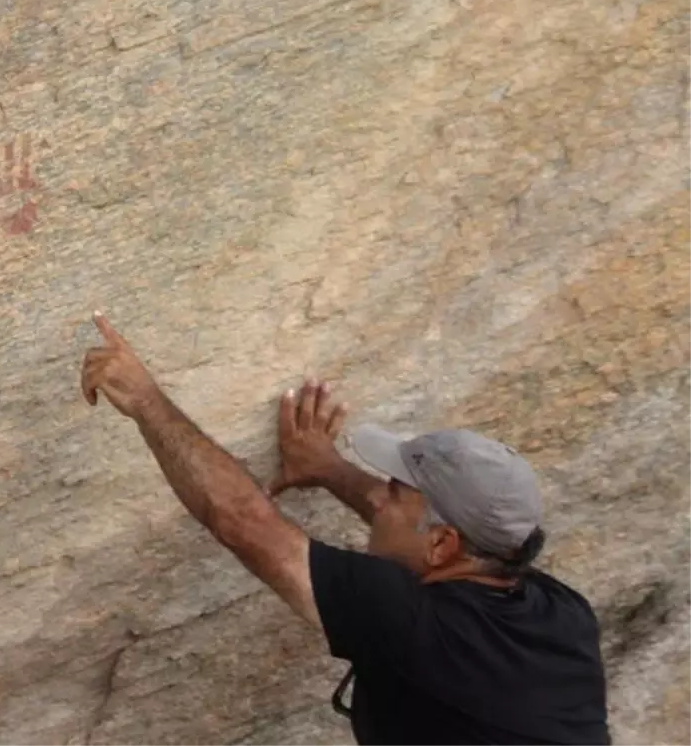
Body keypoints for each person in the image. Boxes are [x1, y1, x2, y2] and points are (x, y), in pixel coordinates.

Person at [81, 312, 609, 745]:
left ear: (445, 545)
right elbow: (411, 528)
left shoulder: (414, 622)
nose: (381, 496)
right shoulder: (558, 611)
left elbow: (243, 522)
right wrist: (328, 469)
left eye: (397, 491)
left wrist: (147, 401)